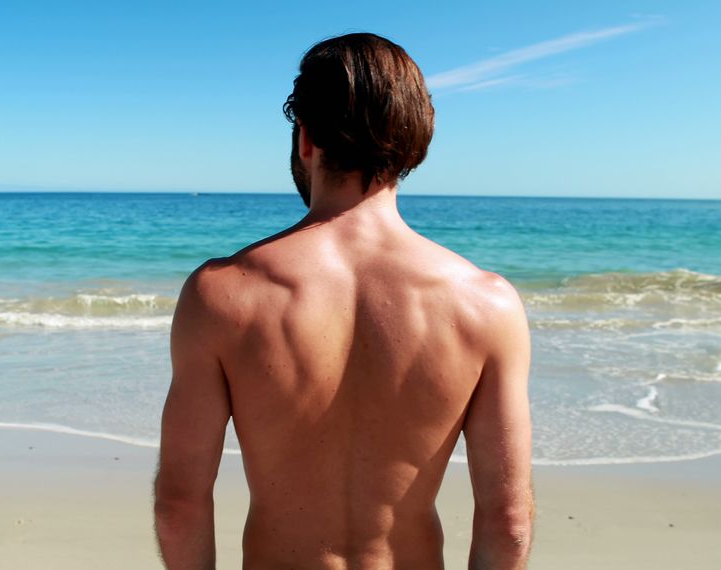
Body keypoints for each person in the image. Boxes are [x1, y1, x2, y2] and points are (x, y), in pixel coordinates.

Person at [154, 32, 533, 569]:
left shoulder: (223, 293)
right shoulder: (486, 304)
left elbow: (179, 506)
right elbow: (508, 523)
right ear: (415, 144)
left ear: (305, 139)